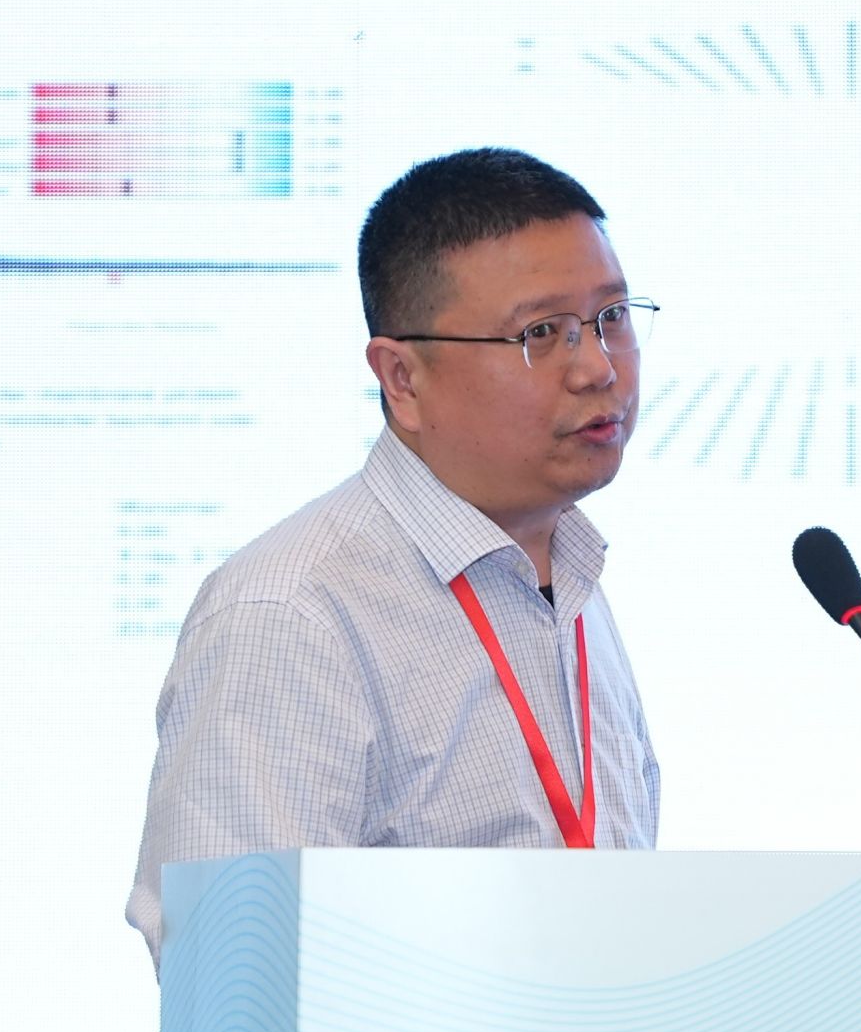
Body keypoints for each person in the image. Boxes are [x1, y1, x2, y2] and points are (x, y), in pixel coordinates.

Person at [126, 147, 661, 969]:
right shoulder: (291, 616)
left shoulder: (569, 579)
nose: (597, 367)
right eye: (540, 334)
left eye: (612, 317)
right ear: (402, 378)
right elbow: (237, 982)